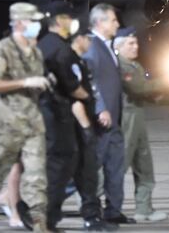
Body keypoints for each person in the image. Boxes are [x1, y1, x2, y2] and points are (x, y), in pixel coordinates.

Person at [0, 2, 52, 233]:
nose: (36, 26)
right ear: (20, 23)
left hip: (31, 122)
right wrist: (24, 82)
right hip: (5, 123)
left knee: (36, 175)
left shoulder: (34, 51)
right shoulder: (1, 49)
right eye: (32, 21)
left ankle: (39, 224)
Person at [37, 1, 89, 230]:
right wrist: (89, 98)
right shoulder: (61, 48)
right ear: (59, 21)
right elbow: (71, 84)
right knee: (61, 166)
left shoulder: (42, 45)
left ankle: (43, 216)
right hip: (57, 115)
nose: (72, 22)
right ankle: (47, 218)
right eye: (69, 18)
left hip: (43, 112)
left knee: (51, 165)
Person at [82, 4, 133, 224]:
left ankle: (113, 210)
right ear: (100, 22)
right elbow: (89, 80)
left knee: (115, 167)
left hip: (114, 119)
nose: (117, 24)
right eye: (113, 20)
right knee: (93, 169)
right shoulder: (92, 46)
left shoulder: (107, 46)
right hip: (101, 120)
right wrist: (100, 107)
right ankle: (91, 214)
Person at [114, 27, 167, 223]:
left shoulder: (134, 65)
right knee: (120, 164)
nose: (136, 46)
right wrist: (165, 82)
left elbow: (143, 90)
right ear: (118, 47)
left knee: (144, 164)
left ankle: (144, 209)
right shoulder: (121, 66)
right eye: (130, 43)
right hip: (127, 118)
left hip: (137, 115)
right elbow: (138, 87)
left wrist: (153, 94)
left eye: (136, 42)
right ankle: (88, 200)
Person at [68, 29, 117, 231]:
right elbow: (74, 97)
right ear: (78, 39)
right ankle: (31, 209)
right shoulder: (68, 63)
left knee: (87, 173)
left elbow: (92, 90)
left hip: (84, 124)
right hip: (72, 126)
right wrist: (86, 127)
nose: (90, 42)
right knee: (65, 173)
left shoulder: (80, 62)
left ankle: (92, 217)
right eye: (87, 39)